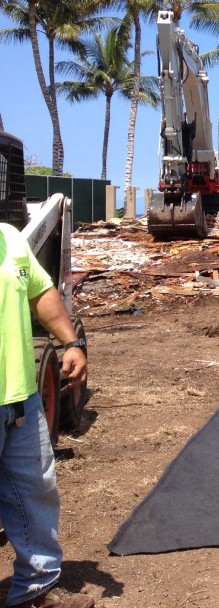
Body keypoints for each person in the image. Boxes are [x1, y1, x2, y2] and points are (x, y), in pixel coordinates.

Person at [0, 222, 93, 608]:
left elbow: (40, 292)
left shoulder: (9, 237)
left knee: (34, 491)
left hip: (21, 397)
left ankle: (35, 589)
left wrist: (70, 341)